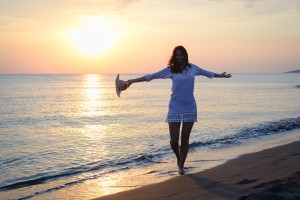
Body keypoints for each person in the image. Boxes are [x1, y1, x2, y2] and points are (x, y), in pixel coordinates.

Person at [125, 45, 231, 175]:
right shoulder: (170, 70)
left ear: (185, 55)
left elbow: (207, 73)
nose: (179, 57)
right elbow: (151, 76)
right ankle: (178, 158)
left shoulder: (193, 68)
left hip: (190, 107)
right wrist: (132, 81)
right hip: (174, 107)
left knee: (185, 139)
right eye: (177, 55)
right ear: (174, 57)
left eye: (181, 54)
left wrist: (221, 75)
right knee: (174, 140)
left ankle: (181, 166)